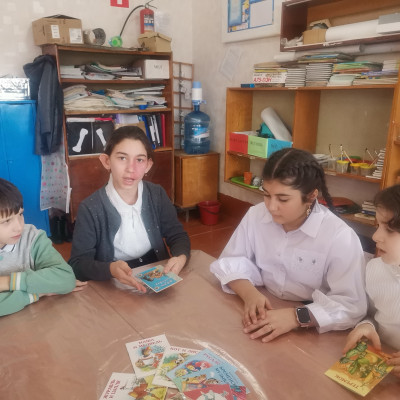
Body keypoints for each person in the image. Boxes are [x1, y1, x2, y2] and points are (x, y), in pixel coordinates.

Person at [210, 148, 367, 342]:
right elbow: (230, 260)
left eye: (283, 199)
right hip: (267, 304)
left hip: (313, 324)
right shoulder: (256, 215)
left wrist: (296, 316)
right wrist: (250, 294)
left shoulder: (339, 237)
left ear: (311, 196)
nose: (271, 206)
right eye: (266, 194)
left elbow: (351, 306)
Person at [69, 126, 190, 291]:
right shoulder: (90, 208)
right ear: (106, 161)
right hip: (112, 280)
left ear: (148, 165)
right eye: (122, 158)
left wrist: (181, 257)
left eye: (139, 160)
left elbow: (177, 235)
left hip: (156, 269)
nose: (131, 168)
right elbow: (78, 264)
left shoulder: (157, 194)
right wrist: (109, 269)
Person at [343, 185, 400, 379]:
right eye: (378, 226)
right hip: (382, 370)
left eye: (389, 230)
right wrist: (366, 325)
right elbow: (370, 313)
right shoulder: (375, 269)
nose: (375, 237)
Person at [0, 178, 79, 317]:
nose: (19, 227)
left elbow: (66, 279)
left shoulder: (31, 237)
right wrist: (37, 292)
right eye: (6, 221)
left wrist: (6, 282)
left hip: (41, 318)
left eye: (20, 214)